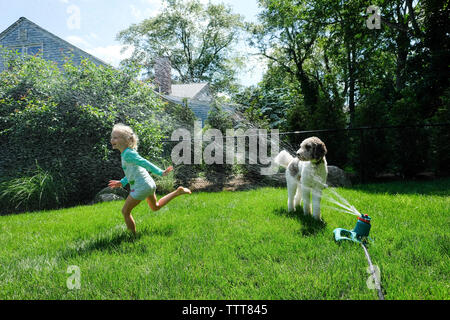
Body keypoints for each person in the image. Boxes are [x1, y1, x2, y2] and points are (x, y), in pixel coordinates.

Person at [108, 123, 191, 234]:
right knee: (155, 207)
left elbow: (145, 163)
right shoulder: (127, 153)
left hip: (141, 187)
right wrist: (122, 182)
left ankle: (132, 237)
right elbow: (132, 172)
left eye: (115, 138)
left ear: (125, 140)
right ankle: (177, 192)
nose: (112, 140)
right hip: (148, 184)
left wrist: (160, 172)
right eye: (112, 137)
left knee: (125, 211)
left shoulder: (128, 154)